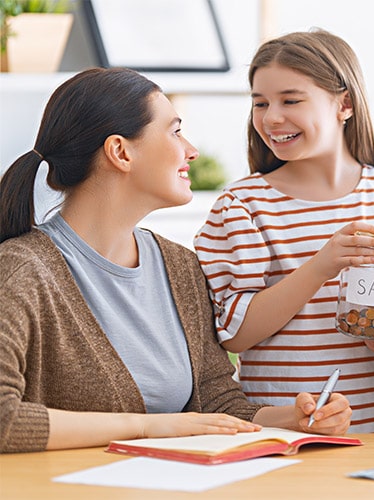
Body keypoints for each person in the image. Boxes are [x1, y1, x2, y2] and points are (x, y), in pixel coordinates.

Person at [0, 68, 351, 454]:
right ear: (121, 152)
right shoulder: (21, 271)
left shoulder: (180, 266)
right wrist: (148, 427)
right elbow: (5, 417)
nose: (191, 150)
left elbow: (216, 404)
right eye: (175, 131)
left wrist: (292, 418)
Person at [194, 29, 374, 433]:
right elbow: (234, 334)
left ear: (344, 103)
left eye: (290, 100)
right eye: (260, 103)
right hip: (281, 436)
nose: (271, 117)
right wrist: (322, 265)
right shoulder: (242, 205)